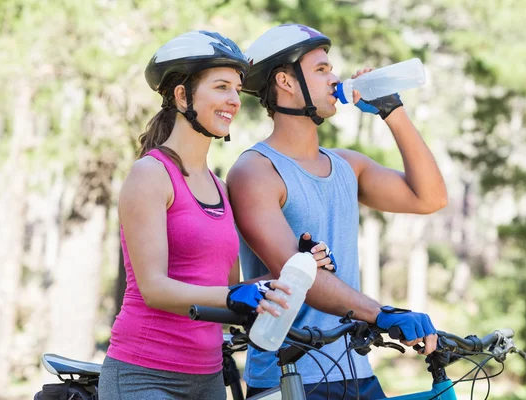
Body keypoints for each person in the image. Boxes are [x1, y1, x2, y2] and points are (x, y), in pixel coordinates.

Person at [98, 30, 332, 400]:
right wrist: (232, 298)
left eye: (237, 90)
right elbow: (154, 289)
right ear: (181, 95)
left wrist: (298, 267)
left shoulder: (220, 188)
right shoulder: (151, 175)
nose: (233, 100)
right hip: (145, 375)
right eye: (221, 87)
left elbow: (231, 291)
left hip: (207, 377)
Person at [227, 24, 448, 398]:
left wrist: (391, 110)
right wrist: (382, 313)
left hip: (355, 370)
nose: (336, 78)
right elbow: (293, 274)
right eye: (322, 69)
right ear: (286, 81)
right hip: (288, 378)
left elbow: (430, 198)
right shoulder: (256, 171)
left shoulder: (348, 166)